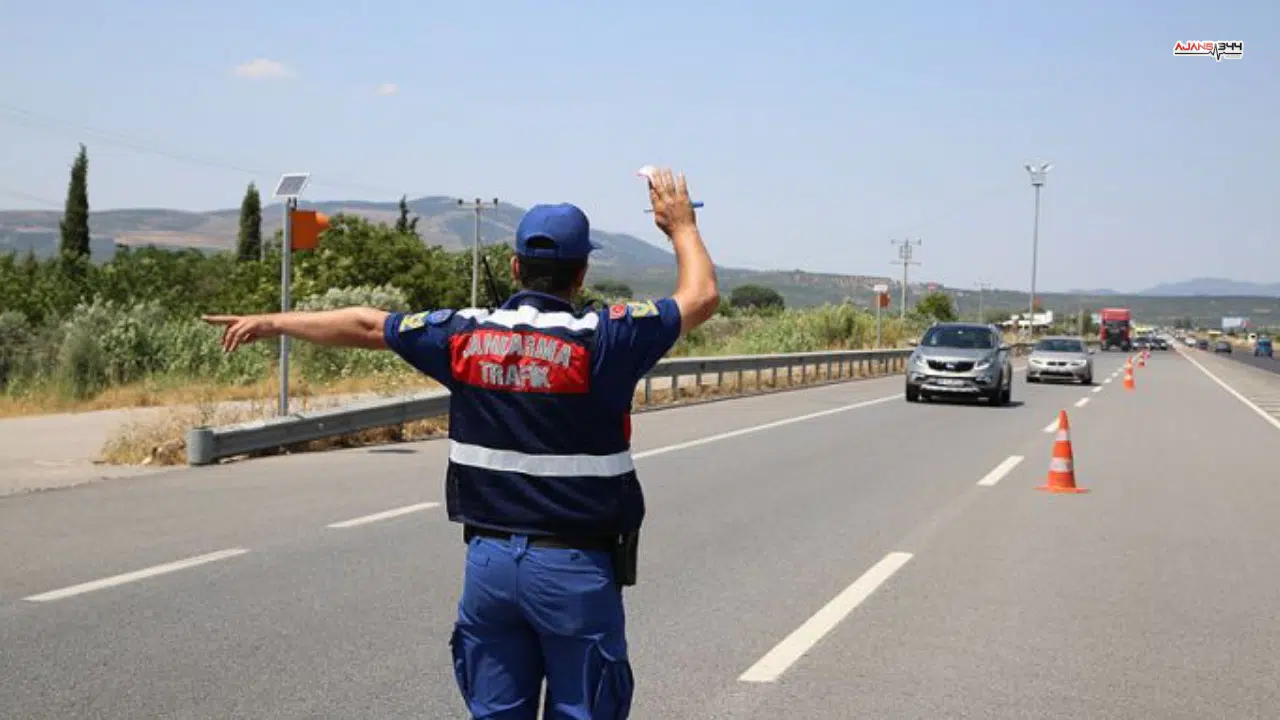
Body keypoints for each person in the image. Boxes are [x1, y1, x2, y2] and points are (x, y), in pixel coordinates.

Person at [203, 167, 719, 719]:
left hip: (489, 568)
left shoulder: (463, 335)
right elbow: (701, 297)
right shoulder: (609, 338)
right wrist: (680, 227)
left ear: (516, 266)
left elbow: (367, 325)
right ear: (582, 272)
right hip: (575, 571)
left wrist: (273, 322)